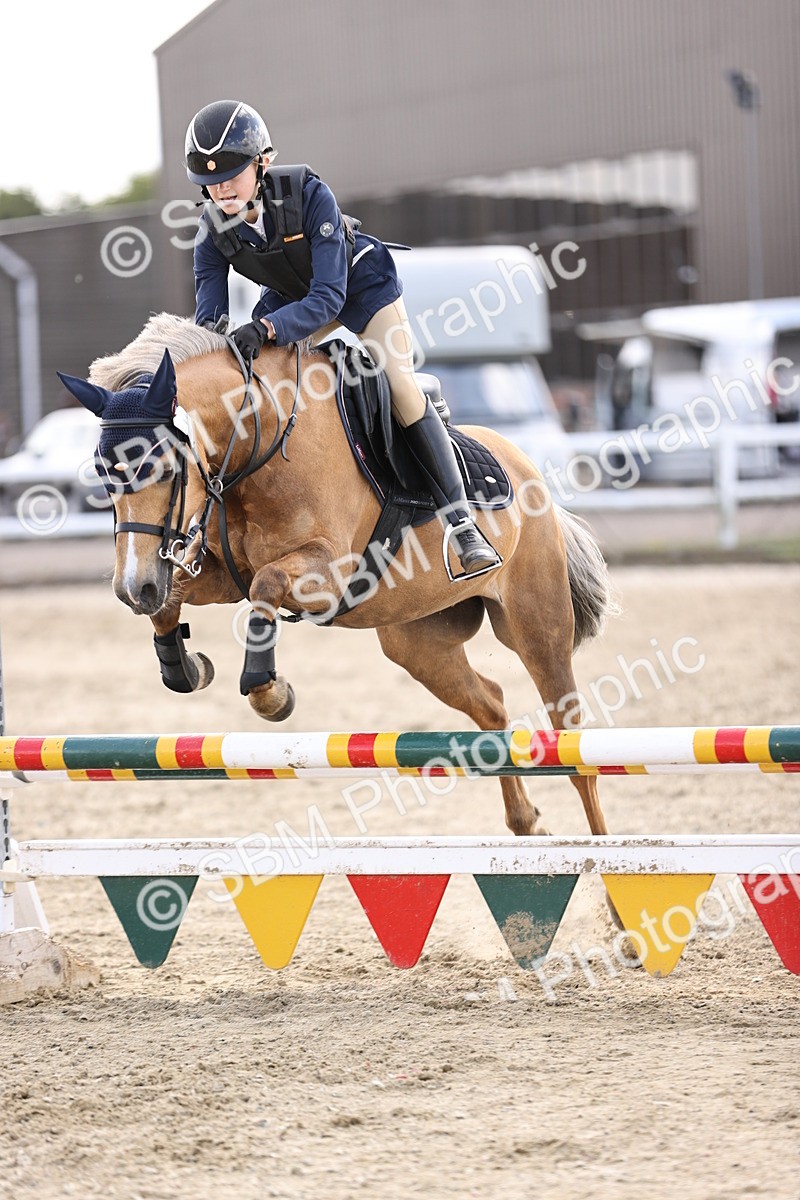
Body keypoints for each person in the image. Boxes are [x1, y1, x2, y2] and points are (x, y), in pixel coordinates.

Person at [184, 100, 500, 575]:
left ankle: (462, 524)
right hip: (293, 299)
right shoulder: (210, 235)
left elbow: (329, 298)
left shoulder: (308, 193)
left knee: (397, 383)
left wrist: (266, 327)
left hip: (359, 286)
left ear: (262, 164)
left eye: (232, 170)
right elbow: (209, 327)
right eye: (210, 179)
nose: (221, 186)